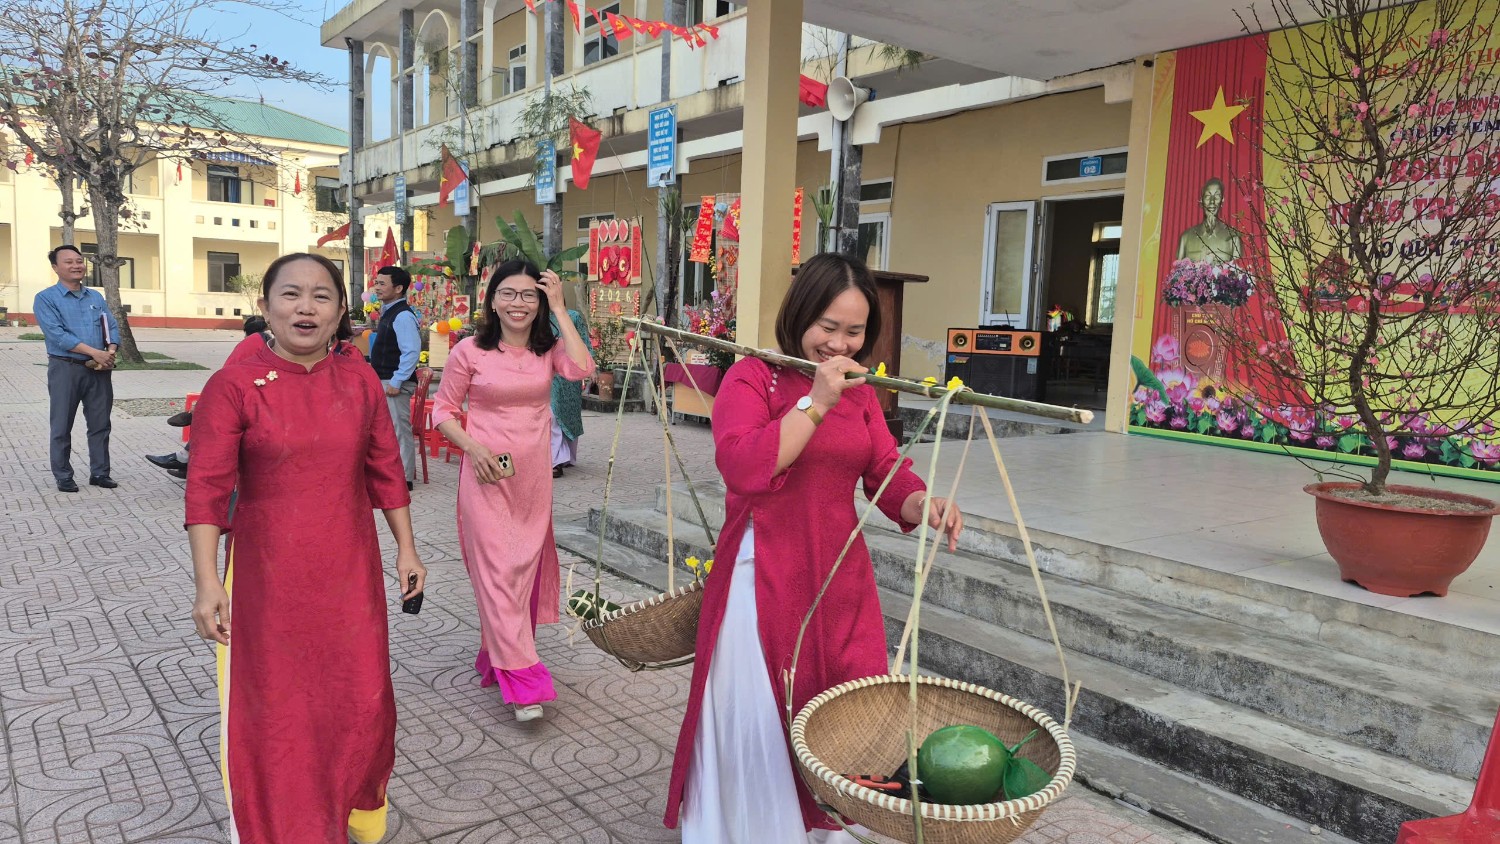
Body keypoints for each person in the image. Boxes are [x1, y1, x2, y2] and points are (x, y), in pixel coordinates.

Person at [665, 252, 964, 843]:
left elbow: (884, 470)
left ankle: (825, 825)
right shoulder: (755, 377)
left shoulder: (860, 392)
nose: (840, 344)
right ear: (800, 313)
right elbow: (743, 466)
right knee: (767, 708)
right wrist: (817, 402)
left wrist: (923, 504)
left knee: (840, 703)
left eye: (855, 332)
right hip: (765, 572)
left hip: (838, 578)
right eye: (828, 327)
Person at [186, 253, 426, 844]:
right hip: (267, 575)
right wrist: (207, 581)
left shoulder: (359, 380)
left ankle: (347, 810)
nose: (306, 307)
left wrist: (407, 549)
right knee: (278, 708)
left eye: (322, 296)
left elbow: (385, 469)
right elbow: (207, 489)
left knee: (359, 696)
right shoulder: (234, 385)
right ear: (265, 306)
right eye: (290, 294)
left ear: (341, 311)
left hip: (350, 569)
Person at [430, 260, 594, 722]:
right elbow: (442, 410)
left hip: (532, 481)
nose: (517, 303)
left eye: (528, 295)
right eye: (508, 293)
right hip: (485, 479)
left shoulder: (548, 351)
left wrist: (560, 309)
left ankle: (495, 654)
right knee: (499, 572)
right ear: (492, 299)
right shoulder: (470, 351)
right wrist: (472, 448)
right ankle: (524, 682)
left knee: (521, 571)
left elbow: (582, 368)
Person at [34, 244, 120, 492]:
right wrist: (94, 352)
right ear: (55, 267)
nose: (76, 266)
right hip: (65, 368)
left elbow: (111, 325)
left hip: (99, 369)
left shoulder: (95, 297)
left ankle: (100, 473)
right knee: (62, 424)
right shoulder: (46, 298)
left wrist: (110, 351)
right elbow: (57, 335)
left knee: (100, 423)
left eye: (79, 261)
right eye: (69, 262)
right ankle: (63, 475)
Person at [147, 315, 268, 478]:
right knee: (213, 421)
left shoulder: (251, 342)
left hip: (241, 394)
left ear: (245, 331)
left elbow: (227, 373)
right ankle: (188, 460)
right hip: (250, 393)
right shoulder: (266, 341)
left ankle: (186, 458)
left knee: (213, 421)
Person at [369, 266, 423, 490]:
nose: (377, 287)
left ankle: (405, 478)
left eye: (382, 283)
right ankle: (393, 473)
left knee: (399, 429)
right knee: (389, 429)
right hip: (386, 380)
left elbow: (411, 351)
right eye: (377, 282)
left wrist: (397, 381)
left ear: (398, 288)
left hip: (394, 383)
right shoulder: (389, 312)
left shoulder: (402, 316)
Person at [548, 307, 595, 478]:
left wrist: (591, 366)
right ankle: (555, 460)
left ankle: (565, 456)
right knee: (553, 415)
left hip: (570, 374)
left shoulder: (573, 316)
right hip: (548, 372)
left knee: (568, 414)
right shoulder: (536, 316)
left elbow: (584, 342)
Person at [1176, 177, 1242, 265]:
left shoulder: (1233, 237)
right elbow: (1178, 271)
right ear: (1201, 200)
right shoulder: (1186, 238)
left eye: (1217, 196)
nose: (1212, 201)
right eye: (1207, 196)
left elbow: (1238, 270)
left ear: (1222, 200)